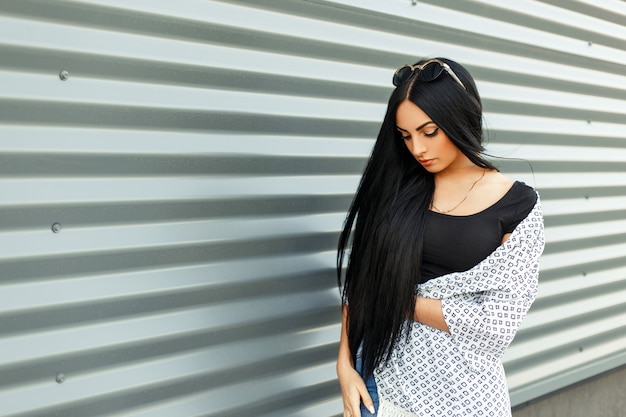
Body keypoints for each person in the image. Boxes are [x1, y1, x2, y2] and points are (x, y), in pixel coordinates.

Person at [336, 57, 545, 417]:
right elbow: (361, 282)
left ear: (459, 117)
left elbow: (496, 323)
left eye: (428, 131)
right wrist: (344, 365)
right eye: (406, 136)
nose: (417, 149)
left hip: (465, 392)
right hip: (381, 385)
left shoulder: (518, 205)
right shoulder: (395, 191)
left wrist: (393, 298)